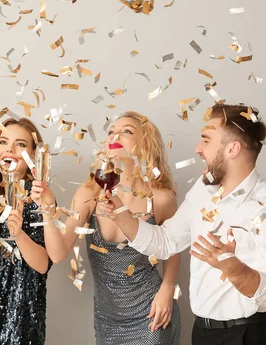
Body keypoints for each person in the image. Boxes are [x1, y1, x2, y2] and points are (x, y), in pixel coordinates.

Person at [103, 104, 266, 345]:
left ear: (232, 149)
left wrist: (234, 268)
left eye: (206, 140)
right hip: (203, 333)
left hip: (246, 335)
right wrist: (120, 213)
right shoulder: (203, 190)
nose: (198, 149)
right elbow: (166, 242)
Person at [38, 111, 181, 344]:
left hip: (153, 310)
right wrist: (46, 207)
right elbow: (57, 253)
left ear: (144, 143)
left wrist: (167, 290)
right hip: (108, 319)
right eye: (112, 131)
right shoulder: (89, 194)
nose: (116, 135)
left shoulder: (161, 199)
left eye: (126, 131)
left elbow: (173, 248)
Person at [0, 118, 53, 345]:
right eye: (3, 142)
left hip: (22, 319)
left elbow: (44, 263)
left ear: (33, 156)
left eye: (21, 144)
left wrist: (19, 235)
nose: (10, 149)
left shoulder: (38, 198)